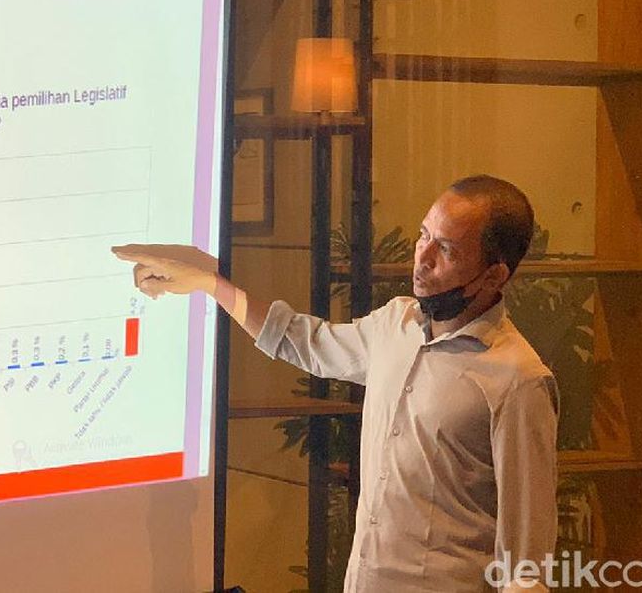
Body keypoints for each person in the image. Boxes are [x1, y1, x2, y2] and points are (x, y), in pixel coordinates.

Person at [113, 175, 557, 592]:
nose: (422, 259)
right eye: (424, 235)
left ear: (495, 275)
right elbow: (304, 342)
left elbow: (526, 562)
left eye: (446, 249)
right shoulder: (395, 323)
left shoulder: (517, 379)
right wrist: (209, 284)